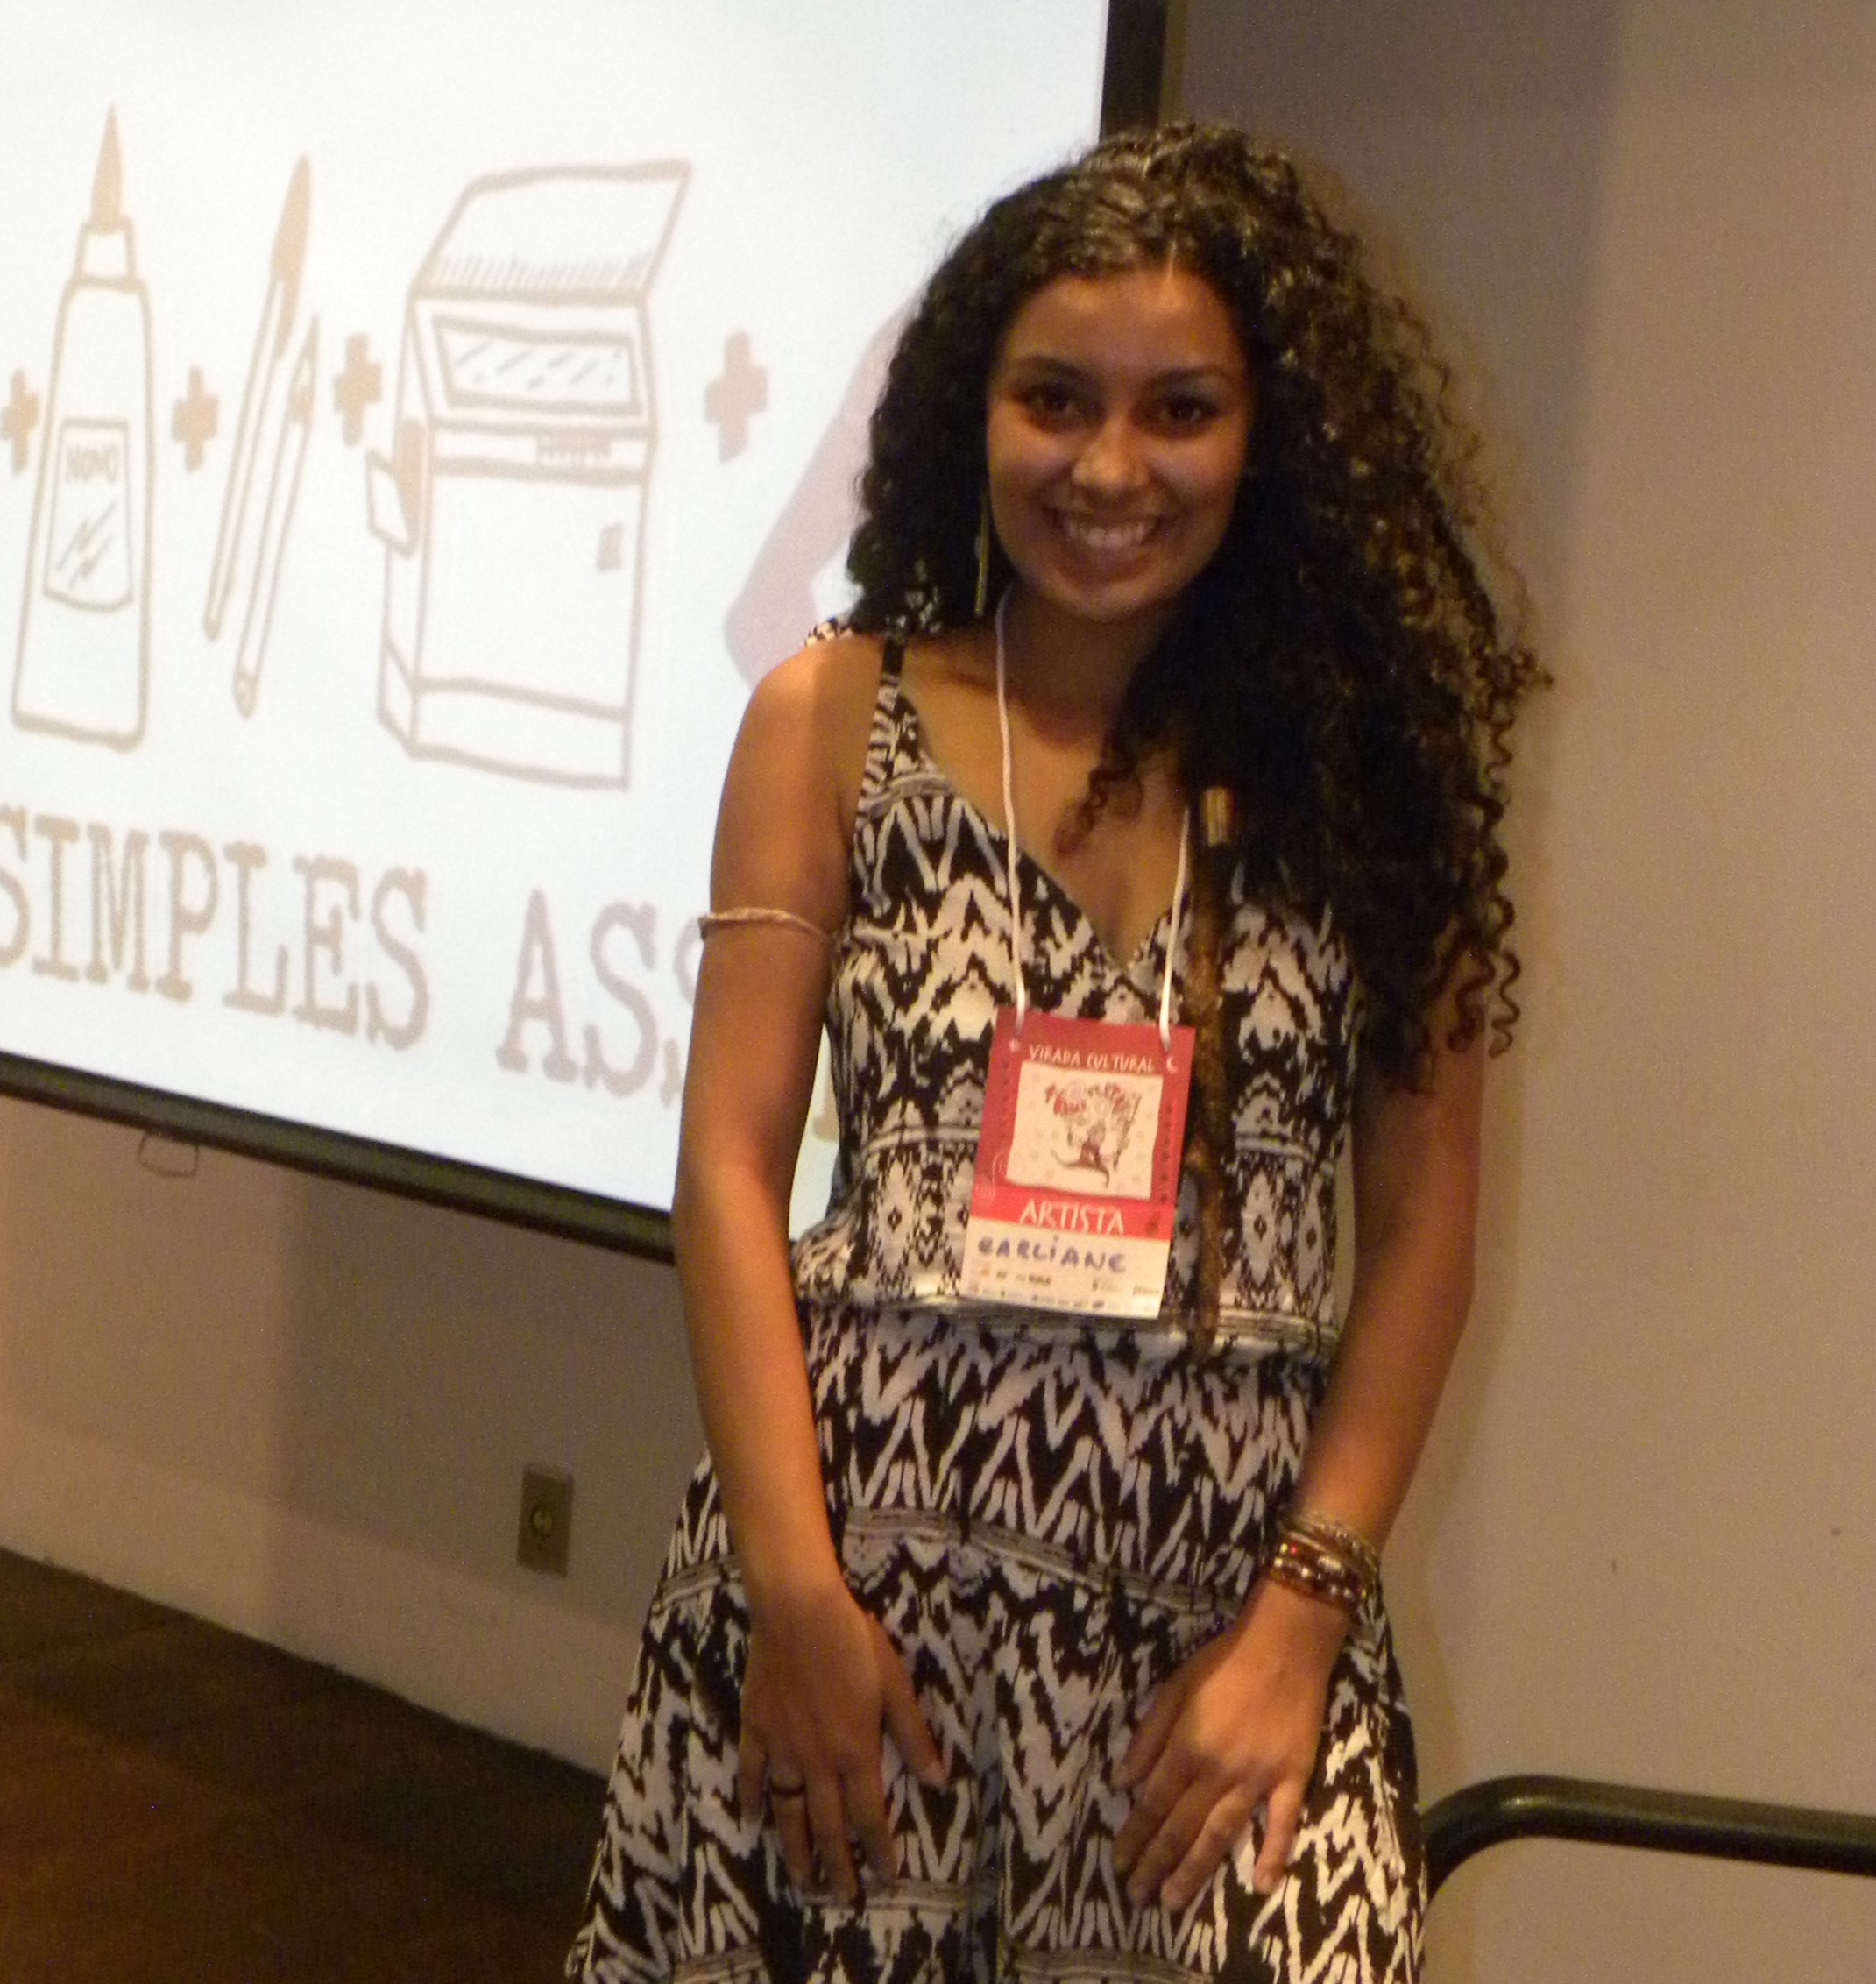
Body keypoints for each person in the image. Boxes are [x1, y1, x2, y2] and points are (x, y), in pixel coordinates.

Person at [567, 123, 1543, 1983]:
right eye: (1054, 400)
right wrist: (790, 1591)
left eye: (1179, 409)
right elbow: (727, 1166)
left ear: (1268, 435)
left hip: (1225, 1624)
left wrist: (1300, 1625)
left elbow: (1425, 1228)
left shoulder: (1373, 765)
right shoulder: (826, 718)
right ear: (972, 411)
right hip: (858, 1596)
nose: (1107, 467)